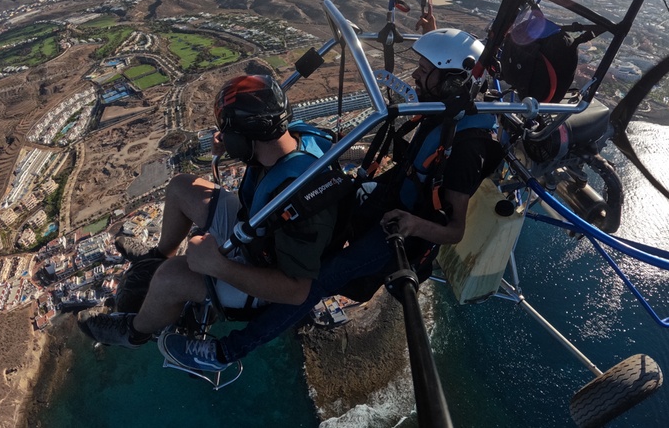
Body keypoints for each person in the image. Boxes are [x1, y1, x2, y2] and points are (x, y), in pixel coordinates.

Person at [148, 25, 502, 368]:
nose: (415, 77)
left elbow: (455, 230)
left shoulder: (468, 149)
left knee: (317, 284)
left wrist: (411, 223)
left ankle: (226, 352)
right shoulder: (447, 107)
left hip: (398, 234)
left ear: (454, 81)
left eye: (425, 72)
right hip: (387, 202)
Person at [78, 74, 338, 372]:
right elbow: (267, 158)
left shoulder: (298, 197)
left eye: (226, 133)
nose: (223, 137)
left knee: (169, 277)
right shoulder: (295, 139)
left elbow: (297, 291)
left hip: (269, 276)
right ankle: (157, 254)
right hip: (258, 226)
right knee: (180, 187)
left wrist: (218, 266)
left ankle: (133, 331)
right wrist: (234, 147)